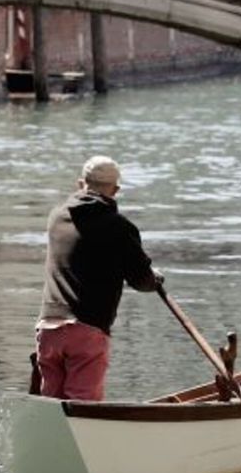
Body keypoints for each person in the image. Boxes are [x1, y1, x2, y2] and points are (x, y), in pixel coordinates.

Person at [35, 155, 162, 402]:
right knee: (83, 406)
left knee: (51, 403)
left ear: (80, 184)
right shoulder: (119, 227)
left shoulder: (56, 217)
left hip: (48, 326)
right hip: (87, 327)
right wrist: (155, 279)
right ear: (115, 190)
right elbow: (141, 280)